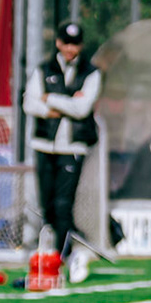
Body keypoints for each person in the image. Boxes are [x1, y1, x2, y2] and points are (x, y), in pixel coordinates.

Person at [22, 23, 102, 251]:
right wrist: (60, 105)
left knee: (63, 203)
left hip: (73, 147)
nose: (70, 49)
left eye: (74, 44)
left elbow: (81, 109)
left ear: (81, 46)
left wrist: (50, 98)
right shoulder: (44, 69)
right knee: (47, 202)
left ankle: (62, 252)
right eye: (66, 43)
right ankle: (49, 249)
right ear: (58, 43)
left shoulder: (91, 73)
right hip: (44, 145)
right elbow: (29, 103)